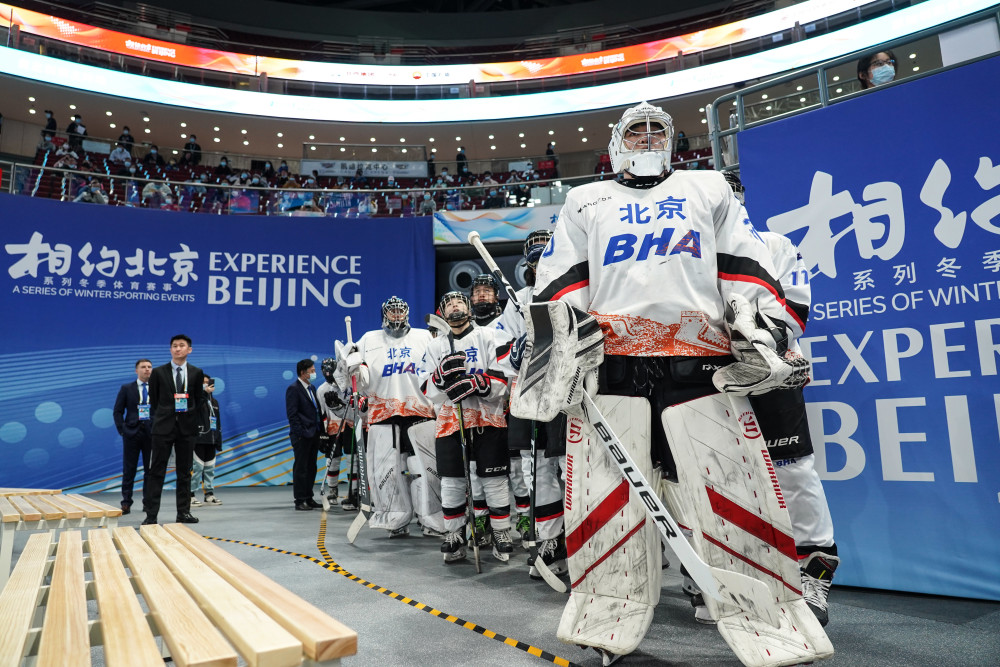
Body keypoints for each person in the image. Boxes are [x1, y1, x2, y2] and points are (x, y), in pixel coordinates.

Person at [529, 101, 794, 664]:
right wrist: (566, 349)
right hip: (613, 376)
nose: (647, 136)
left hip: (700, 371)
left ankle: (773, 625)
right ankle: (606, 620)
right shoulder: (585, 200)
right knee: (604, 502)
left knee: (737, 493)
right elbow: (558, 282)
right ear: (617, 141)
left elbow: (743, 264)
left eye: (657, 129)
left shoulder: (708, 188)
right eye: (636, 129)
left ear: (673, 140)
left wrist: (763, 327)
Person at [722, 170, 839, 626]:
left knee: (793, 470)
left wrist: (757, 335)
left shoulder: (773, 244)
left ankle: (815, 568)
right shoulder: (690, 258)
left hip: (774, 371)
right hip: (713, 379)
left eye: (727, 196)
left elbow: (794, 305)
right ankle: (739, 572)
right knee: (720, 473)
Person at [419, 291, 513, 563]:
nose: (454, 306)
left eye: (459, 302)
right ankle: (454, 533)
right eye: (448, 304)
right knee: (451, 481)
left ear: (469, 308)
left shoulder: (489, 336)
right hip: (450, 422)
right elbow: (426, 389)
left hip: (488, 418)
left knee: (494, 480)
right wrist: (440, 378)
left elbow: (503, 377)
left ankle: (500, 532)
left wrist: (479, 383)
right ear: (442, 313)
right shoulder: (436, 346)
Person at [499, 229, 569, 578]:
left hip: (569, 392)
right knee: (536, 471)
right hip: (529, 395)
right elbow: (500, 350)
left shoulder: (572, 289)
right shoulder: (519, 299)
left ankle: (585, 537)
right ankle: (550, 539)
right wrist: (515, 351)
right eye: (536, 258)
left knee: (572, 468)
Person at [343, 297, 436, 536]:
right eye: (391, 311)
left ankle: (431, 518)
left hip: (420, 410)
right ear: (384, 314)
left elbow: (436, 368)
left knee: (422, 467)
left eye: (399, 311)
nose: (396, 315)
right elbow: (357, 381)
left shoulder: (424, 337)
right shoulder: (368, 339)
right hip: (383, 413)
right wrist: (350, 367)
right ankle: (395, 518)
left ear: (406, 314)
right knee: (388, 469)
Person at [143, 334, 207, 525]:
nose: (177, 349)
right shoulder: (159, 372)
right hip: (163, 427)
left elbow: (199, 398)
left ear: (189, 350)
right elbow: (153, 400)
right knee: (157, 471)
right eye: (174, 346)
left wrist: (189, 412)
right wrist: (167, 413)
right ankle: (151, 515)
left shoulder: (196, 372)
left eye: (181, 346)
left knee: (184, 472)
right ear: (170, 350)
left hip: (187, 429)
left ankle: (183, 512)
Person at [112, 358, 154, 515]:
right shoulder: (127, 388)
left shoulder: (157, 388)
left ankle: (148, 502)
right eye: (143, 367)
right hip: (131, 433)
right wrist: (122, 430)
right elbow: (117, 411)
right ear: (136, 370)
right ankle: (126, 502)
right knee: (129, 469)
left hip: (151, 434)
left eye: (149, 367)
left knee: (150, 471)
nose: (147, 369)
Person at [286, 359, 323, 511]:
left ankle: (309, 497)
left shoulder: (312, 388)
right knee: (301, 468)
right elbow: (292, 414)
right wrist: (300, 433)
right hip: (302, 435)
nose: (314, 373)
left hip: (313, 433)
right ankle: (300, 500)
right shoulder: (293, 389)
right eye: (312, 371)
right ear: (303, 372)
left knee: (311, 467)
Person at [191, 374, 223, 506]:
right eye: (203, 383)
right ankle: (190, 494)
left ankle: (209, 494)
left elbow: (218, 422)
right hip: (198, 439)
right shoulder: (194, 399)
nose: (206, 385)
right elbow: (193, 410)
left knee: (210, 469)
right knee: (196, 468)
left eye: (208, 383)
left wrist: (218, 440)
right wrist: (203, 394)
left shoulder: (214, 402)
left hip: (211, 439)